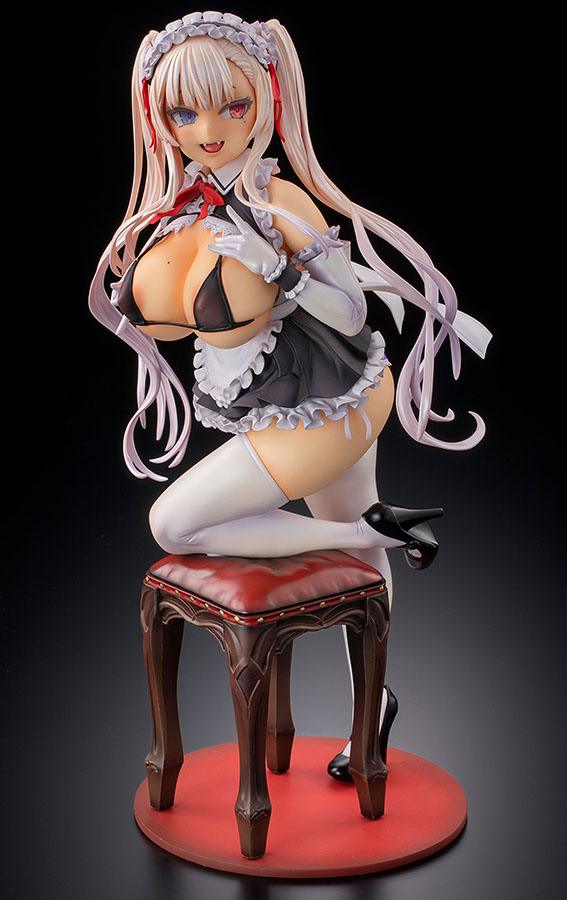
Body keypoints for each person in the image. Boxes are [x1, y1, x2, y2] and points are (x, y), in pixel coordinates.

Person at [88, 10, 492, 781]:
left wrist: (276, 268)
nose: (208, 130)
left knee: (173, 521)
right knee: (352, 547)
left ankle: (374, 533)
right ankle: (374, 703)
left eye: (231, 106)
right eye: (183, 112)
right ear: (157, 116)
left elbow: (351, 311)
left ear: (266, 100)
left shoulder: (279, 200)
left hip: (330, 404)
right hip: (300, 398)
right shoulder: (183, 210)